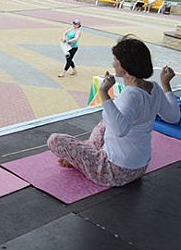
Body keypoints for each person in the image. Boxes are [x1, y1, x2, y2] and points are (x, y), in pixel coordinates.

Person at [47, 36, 181, 187]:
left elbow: (120, 130)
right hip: (140, 166)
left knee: (55, 139)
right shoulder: (155, 87)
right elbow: (174, 117)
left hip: (114, 171)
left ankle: (80, 157)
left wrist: (104, 92)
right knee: (105, 122)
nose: (113, 63)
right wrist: (166, 84)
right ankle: (86, 153)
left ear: (124, 64)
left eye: (115, 59)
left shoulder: (131, 94)